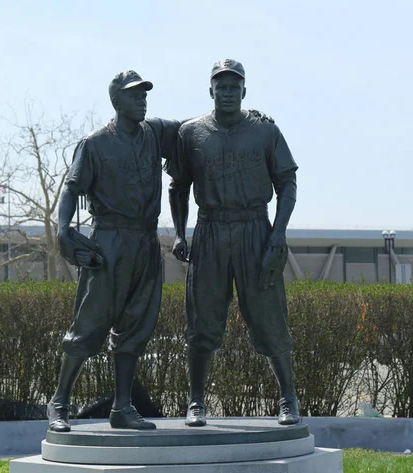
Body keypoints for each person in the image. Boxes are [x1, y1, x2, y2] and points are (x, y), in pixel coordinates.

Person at [168, 59, 300, 427]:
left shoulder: (264, 130)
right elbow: (177, 187)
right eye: (220, 86)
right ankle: (196, 401)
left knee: (269, 317)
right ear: (210, 90)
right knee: (201, 321)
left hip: (255, 231)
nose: (227, 92)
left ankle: (288, 397)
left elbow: (287, 182)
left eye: (234, 86)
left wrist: (278, 233)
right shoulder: (190, 133)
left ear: (244, 91)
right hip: (209, 232)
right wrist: (180, 232)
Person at [47, 70, 180, 432]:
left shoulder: (154, 132)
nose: (142, 100)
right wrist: (63, 230)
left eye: (144, 94)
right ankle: (59, 402)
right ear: (116, 100)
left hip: (145, 242)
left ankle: (123, 407)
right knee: (89, 325)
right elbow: (72, 189)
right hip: (109, 240)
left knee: (135, 328)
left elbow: (193, 129)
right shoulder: (95, 143)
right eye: (134, 95)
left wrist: (247, 118)